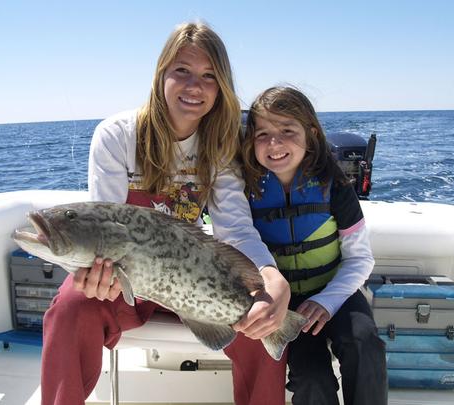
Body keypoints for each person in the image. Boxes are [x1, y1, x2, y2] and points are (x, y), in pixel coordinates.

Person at [41, 23, 291, 405]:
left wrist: (270, 279)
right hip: (125, 281)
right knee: (70, 310)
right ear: (161, 75)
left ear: (221, 87)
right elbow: (103, 227)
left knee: (259, 322)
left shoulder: (222, 147)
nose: (195, 86)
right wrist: (93, 274)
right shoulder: (117, 136)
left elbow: (235, 228)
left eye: (209, 76)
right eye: (182, 71)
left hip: (188, 276)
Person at [241, 86, 388, 405]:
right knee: (310, 377)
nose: (274, 144)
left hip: (338, 292)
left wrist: (327, 301)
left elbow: (361, 260)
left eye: (287, 131)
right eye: (262, 133)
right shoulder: (242, 189)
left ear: (310, 133)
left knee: (364, 342)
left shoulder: (334, 184)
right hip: (285, 304)